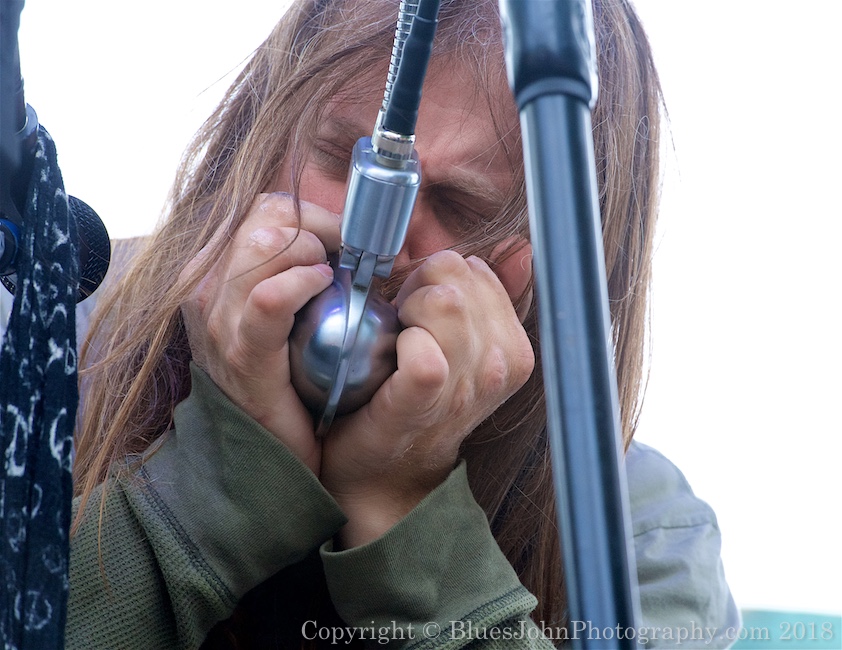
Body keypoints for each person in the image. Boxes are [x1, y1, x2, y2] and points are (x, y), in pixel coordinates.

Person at [60, 0, 738, 647]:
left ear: (565, 263)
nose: (377, 247)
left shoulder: (640, 537)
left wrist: (412, 534)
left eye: (464, 207)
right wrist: (214, 488)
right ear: (256, 134)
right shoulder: (56, 349)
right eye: (339, 156)